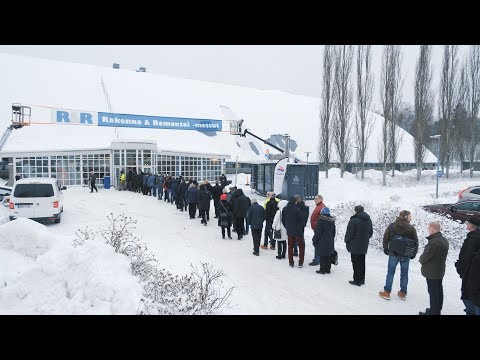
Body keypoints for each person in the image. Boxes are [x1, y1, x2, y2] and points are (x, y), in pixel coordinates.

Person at [379, 210, 418, 300]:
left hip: (393, 253)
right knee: (404, 274)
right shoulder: (411, 228)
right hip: (406, 255)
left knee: (390, 273)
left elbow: (386, 237)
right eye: (409, 216)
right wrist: (413, 253)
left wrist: (385, 248)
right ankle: (403, 293)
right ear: (405, 217)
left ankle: (386, 292)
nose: (410, 218)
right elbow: (416, 242)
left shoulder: (392, 226)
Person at [418, 221, 449, 315]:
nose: (428, 230)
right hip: (439, 270)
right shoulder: (444, 240)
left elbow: (425, 257)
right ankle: (435, 310)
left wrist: (420, 259)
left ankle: (433, 312)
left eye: (428, 228)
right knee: (438, 291)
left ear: (432, 229)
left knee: (433, 292)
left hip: (432, 272)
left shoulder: (434, 243)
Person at [455, 217, 480, 315]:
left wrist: (460, 268)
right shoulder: (475, 236)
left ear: (471, 225)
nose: (466, 225)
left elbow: (467, 257)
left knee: (468, 298)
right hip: (472, 273)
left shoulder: (473, 239)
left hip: (470, 274)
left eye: (468, 223)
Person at [344, 205, 373, 286]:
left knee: (355, 262)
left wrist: (346, 240)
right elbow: (370, 232)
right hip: (364, 244)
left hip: (354, 245)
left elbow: (349, 233)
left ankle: (357, 280)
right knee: (362, 262)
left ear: (355, 211)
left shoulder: (354, 220)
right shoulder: (368, 220)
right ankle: (362, 279)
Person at [282, 195, 309, 268]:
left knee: (290, 247)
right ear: (295, 201)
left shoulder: (285, 209)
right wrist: (301, 227)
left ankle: (291, 262)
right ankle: (300, 262)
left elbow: (283, 220)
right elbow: (302, 220)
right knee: (301, 247)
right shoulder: (297, 210)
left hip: (290, 231)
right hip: (298, 232)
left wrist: (287, 227)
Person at [312, 207, 336, 275]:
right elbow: (334, 232)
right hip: (330, 240)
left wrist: (315, 240)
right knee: (328, 255)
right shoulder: (332, 220)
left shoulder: (321, 220)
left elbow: (318, 232)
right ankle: (328, 269)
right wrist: (331, 238)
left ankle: (322, 270)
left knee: (322, 255)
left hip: (322, 240)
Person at [309, 195, 326, 266]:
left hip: (318, 229)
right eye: (314, 199)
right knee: (317, 244)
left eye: (317, 199)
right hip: (317, 229)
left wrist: (318, 227)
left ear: (321, 199)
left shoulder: (322, 207)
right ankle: (317, 259)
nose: (315, 200)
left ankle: (317, 260)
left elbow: (324, 219)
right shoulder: (319, 205)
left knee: (317, 244)